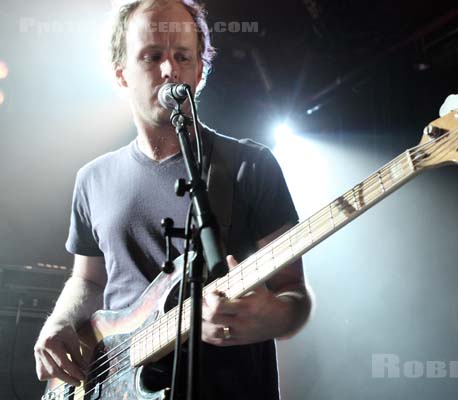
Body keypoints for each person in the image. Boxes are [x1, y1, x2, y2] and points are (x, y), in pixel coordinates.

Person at [33, 0, 312, 398]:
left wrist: (270, 317)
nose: (170, 70)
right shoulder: (93, 179)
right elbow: (88, 278)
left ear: (200, 71)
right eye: (151, 56)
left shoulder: (250, 166)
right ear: (121, 75)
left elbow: (294, 294)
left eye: (182, 56)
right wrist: (59, 321)